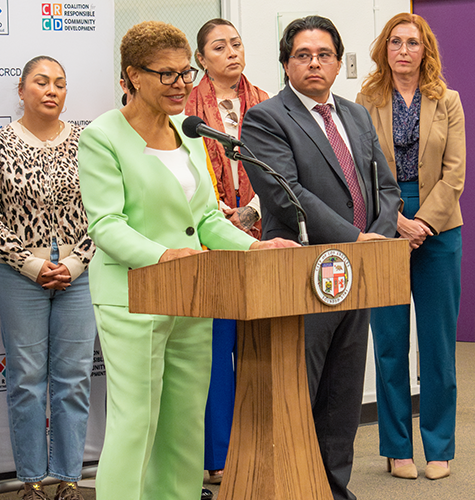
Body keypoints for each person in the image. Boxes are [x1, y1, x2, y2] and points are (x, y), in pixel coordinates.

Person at [77, 21, 297, 500]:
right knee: (136, 424)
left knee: (183, 428)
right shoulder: (102, 137)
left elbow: (206, 221)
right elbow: (107, 225)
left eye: (187, 73)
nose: (182, 84)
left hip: (194, 295)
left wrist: (255, 247)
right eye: (168, 75)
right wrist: (165, 255)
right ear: (133, 76)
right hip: (133, 298)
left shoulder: (191, 132)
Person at [240, 16, 401, 500]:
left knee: (343, 395)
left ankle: (333, 489)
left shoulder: (355, 115)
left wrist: (375, 237)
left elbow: (387, 189)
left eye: (324, 54)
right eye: (303, 55)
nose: (314, 63)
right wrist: (356, 238)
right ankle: (294, 489)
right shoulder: (265, 118)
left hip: (357, 273)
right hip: (302, 274)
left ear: (337, 61)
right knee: (297, 394)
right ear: (287, 63)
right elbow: (288, 194)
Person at [0, 56, 96, 500]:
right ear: (21, 90)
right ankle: (30, 480)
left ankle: (67, 477)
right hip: (18, 275)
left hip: (78, 276)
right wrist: (30, 263)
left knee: (74, 377)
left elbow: (103, 211)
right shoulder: (2, 142)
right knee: (26, 377)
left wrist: (77, 262)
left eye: (60, 84)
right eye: (42, 82)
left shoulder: (86, 141)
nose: (52, 91)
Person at [356, 12, 465, 481]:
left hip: (439, 226)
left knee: (438, 347)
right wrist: (396, 220)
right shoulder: (365, 99)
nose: (404, 50)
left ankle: (439, 446)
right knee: (390, 344)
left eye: (413, 43)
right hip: (385, 220)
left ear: (426, 50)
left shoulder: (449, 100)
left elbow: (455, 172)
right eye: (396, 42)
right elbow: (364, 170)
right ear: (386, 48)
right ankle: (397, 447)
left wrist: (421, 222)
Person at [185, 17, 269, 485]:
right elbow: (184, 173)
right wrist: (220, 214)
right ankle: (217, 458)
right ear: (201, 59)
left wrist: (253, 212)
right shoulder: (187, 110)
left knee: (260, 345)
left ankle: (258, 444)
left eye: (236, 44)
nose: (231, 53)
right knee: (216, 350)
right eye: (219, 47)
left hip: (261, 234)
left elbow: (281, 167)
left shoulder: (267, 104)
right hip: (209, 236)